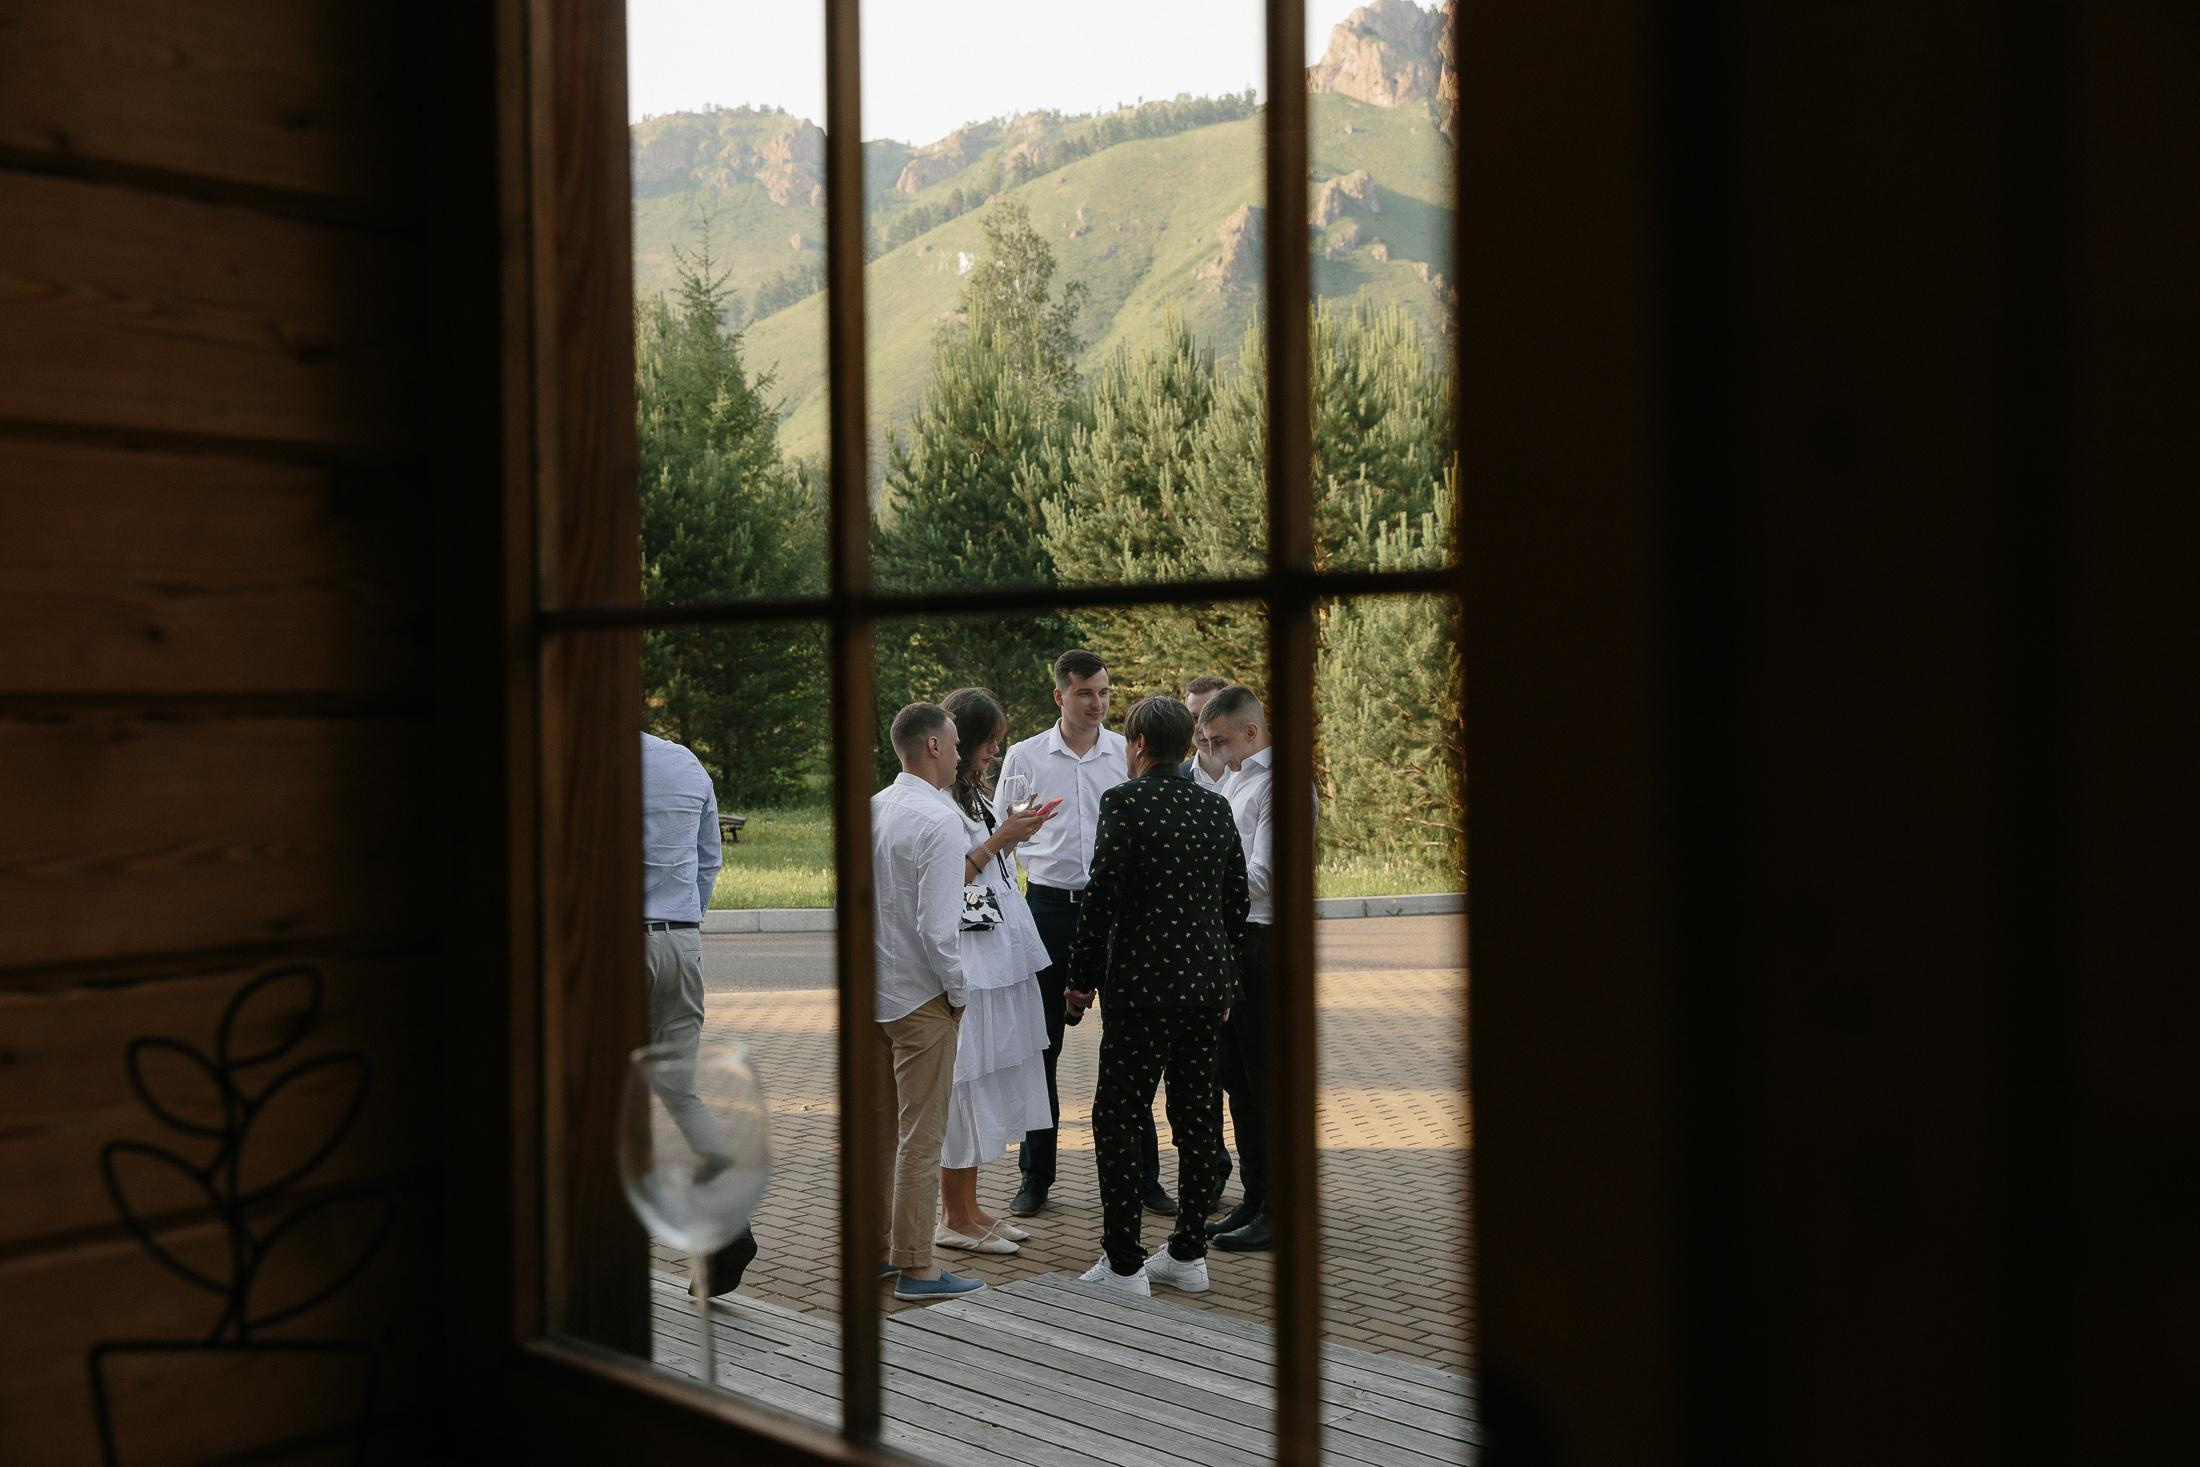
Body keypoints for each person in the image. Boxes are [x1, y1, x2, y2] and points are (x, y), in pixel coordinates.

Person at [1065, 696, 1248, 1295]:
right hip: (1204, 989)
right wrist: (1226, 979)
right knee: (1196, 1118)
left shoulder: (1125, 802)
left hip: (1141, 989)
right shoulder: (1214, 806)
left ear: (1138, 744)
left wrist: (1080, 977)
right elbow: (1236, 900)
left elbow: (1102, 894)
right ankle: (1189, 1253)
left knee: (1119, 1116)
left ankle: (1123, 1262)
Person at [996, 650, 1173, 1219]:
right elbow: (1001, 841)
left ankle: (1145, 1178)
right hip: (1048, 909)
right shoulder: (1024, 757)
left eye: (1104, 692)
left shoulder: (1126, 754)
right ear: (1060, 695)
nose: (1098, 703)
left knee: (1131, 1046)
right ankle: (1035, 1176)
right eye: (1085, 693)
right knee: (1041, 1046)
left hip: (1119, 913)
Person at [933, 688, 1059, 1256]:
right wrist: (999, 840)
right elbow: (949, 877)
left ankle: (971, 1207)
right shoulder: (937, 800)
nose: (995, 752)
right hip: (972, 960)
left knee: (986, 1079)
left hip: (999, 949)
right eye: (988, 742)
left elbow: (984, 864)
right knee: (965, 1081)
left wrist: (1010, 833)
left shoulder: (973, 795)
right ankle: (953, 1216)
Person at [870, 703, 984, 1301]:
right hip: (920, 997)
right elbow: (938, 929)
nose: (961, 754)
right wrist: (958, 993)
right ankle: (916, 1268)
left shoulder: (874, 808)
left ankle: (878, 1251)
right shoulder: (939, 820)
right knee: (921, 1136)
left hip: (875, 993)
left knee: (881, 1131)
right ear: (933, 746)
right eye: (956, 743)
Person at [1197, 684, 1316, 1253]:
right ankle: (1256, 1196)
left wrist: (1198, 877)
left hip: (1264, 940)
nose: (1213, 751)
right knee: (1238, 1080)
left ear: (1250, 731)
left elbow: (1268, 875)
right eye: (1206, 741)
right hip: (1231, 940)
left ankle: (1281, 1209)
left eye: (1219, 740)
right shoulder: (1236, 778)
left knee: (1268, 1083)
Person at [640, 730, 756, 1297]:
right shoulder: (683, 761)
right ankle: (730, 1224)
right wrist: (686, 921)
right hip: (681, 942)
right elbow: (710, 858)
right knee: (681, 1094)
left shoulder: (580, 762)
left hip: (611, 942)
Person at [1179, 675, 1234, 792]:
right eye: (1194, 718)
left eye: (1210, 716)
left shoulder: (1257, 774)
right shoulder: (1176, 778)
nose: (1202, 728)